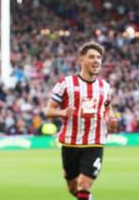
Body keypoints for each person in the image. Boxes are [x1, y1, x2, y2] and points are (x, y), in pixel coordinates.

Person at [45, 41, 117, 200]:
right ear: (81, 60)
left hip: (94, 142)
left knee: (83, 185)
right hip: (70, 143)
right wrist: (62, 112)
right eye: (91, 57)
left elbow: (107, 107)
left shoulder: (105, 86)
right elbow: (48, 111)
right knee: (73, 188)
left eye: (99, 57)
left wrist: (110, 118)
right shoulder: (66, 84)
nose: (96, 60)